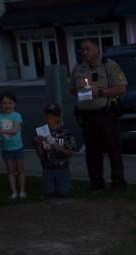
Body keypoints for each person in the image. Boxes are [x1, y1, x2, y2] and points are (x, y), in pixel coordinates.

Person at [70, 38, 127, 192]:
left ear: (97, 49)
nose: (84, 52)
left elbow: (121, 88)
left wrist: (100, 92)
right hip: (87, 116)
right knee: (92, 152)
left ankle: (118, 182)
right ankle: (96, 182)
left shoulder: (109, 66)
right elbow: (72, 90)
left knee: (113, 149)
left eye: (87, 49)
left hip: (106, 115)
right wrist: (82, 92)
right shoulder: (78, 69)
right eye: (82, 49)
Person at [33, 103, 78, 198]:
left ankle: (64, 184)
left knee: (64, 193)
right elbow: (40, 155)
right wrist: (37, 144)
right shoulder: (40, 132)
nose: (48, 118)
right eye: (46, 115)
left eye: (52, 116)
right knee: (48, 193)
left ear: (58, 117)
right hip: (48, 168)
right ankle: (51, 186)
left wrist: (58, 147)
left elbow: (70, 153)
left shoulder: (66, 132)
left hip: (62, 168)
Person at [0, 91, 25, 200]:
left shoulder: (17, 116)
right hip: (6, 148)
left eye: (10, 103)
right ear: (1, 104)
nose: (7, 106)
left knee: (20, 170)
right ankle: (14, 192)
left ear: (14, 104)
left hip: (17, 147)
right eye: (4, 103)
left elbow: (14, 130)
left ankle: (22, 191)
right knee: (10, 171)